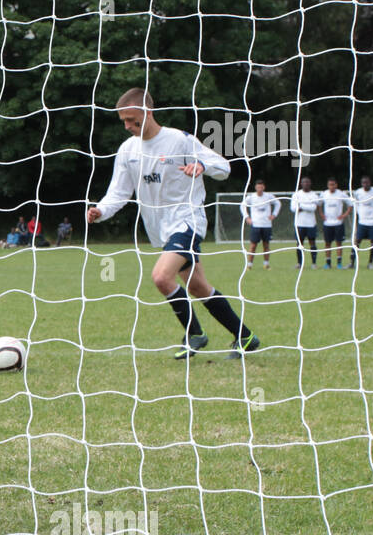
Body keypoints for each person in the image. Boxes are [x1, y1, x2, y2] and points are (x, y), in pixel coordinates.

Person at [86, 88, 260, 359]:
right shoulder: (127, 150)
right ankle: (245, 337)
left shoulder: (179, 140)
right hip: (161, 229)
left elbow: (223, 167)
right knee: (198, 287)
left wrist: (201, 165)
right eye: (124, 121)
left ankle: (195, 335)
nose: (128, 126)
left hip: (187, 221)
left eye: (133, 120)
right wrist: (100, 210)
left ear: (148, 112)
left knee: (161, 277)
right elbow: (119, 192)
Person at [241, 179, 281, 269]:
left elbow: (278, 203)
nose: (260, 188)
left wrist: (274, 215)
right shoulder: (251, 197)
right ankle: (249, 265)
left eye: (261, 187)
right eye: (258, 187)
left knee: (266, 245)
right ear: (256, 187)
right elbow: (242, 205)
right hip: (256, 225)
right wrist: (247, 217)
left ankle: (266, 264)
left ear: (264, 187)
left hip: (267, 224)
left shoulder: (269, 196)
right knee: (253, 245)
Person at [320, 177, 352, 269]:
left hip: (338, 223)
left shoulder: (341, 194)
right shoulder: (324, 194)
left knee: (339, 243)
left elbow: (350, 204)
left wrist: (344, 215)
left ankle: (339, 263)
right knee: (327, 243)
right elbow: (319, 204)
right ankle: (328, 263)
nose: (331, 186)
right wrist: (321, 214)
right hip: (327, 223)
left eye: (333, 184)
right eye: (330, 184)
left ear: (336, 185)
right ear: (328, 185)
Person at [290, 176, 321, 269]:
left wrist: (301, 205)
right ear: (301, 183)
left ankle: (314, 263)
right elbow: (293, 208)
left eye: (308, 182)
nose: (306, 184)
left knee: (312, 243)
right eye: (304, 182)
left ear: (310, 183)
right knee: (300, 244)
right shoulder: (296, 195)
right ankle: (299, 263)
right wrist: (307, 205)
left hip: (311, 223)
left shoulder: (314, 195)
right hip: (299, 223)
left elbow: (314, 208)